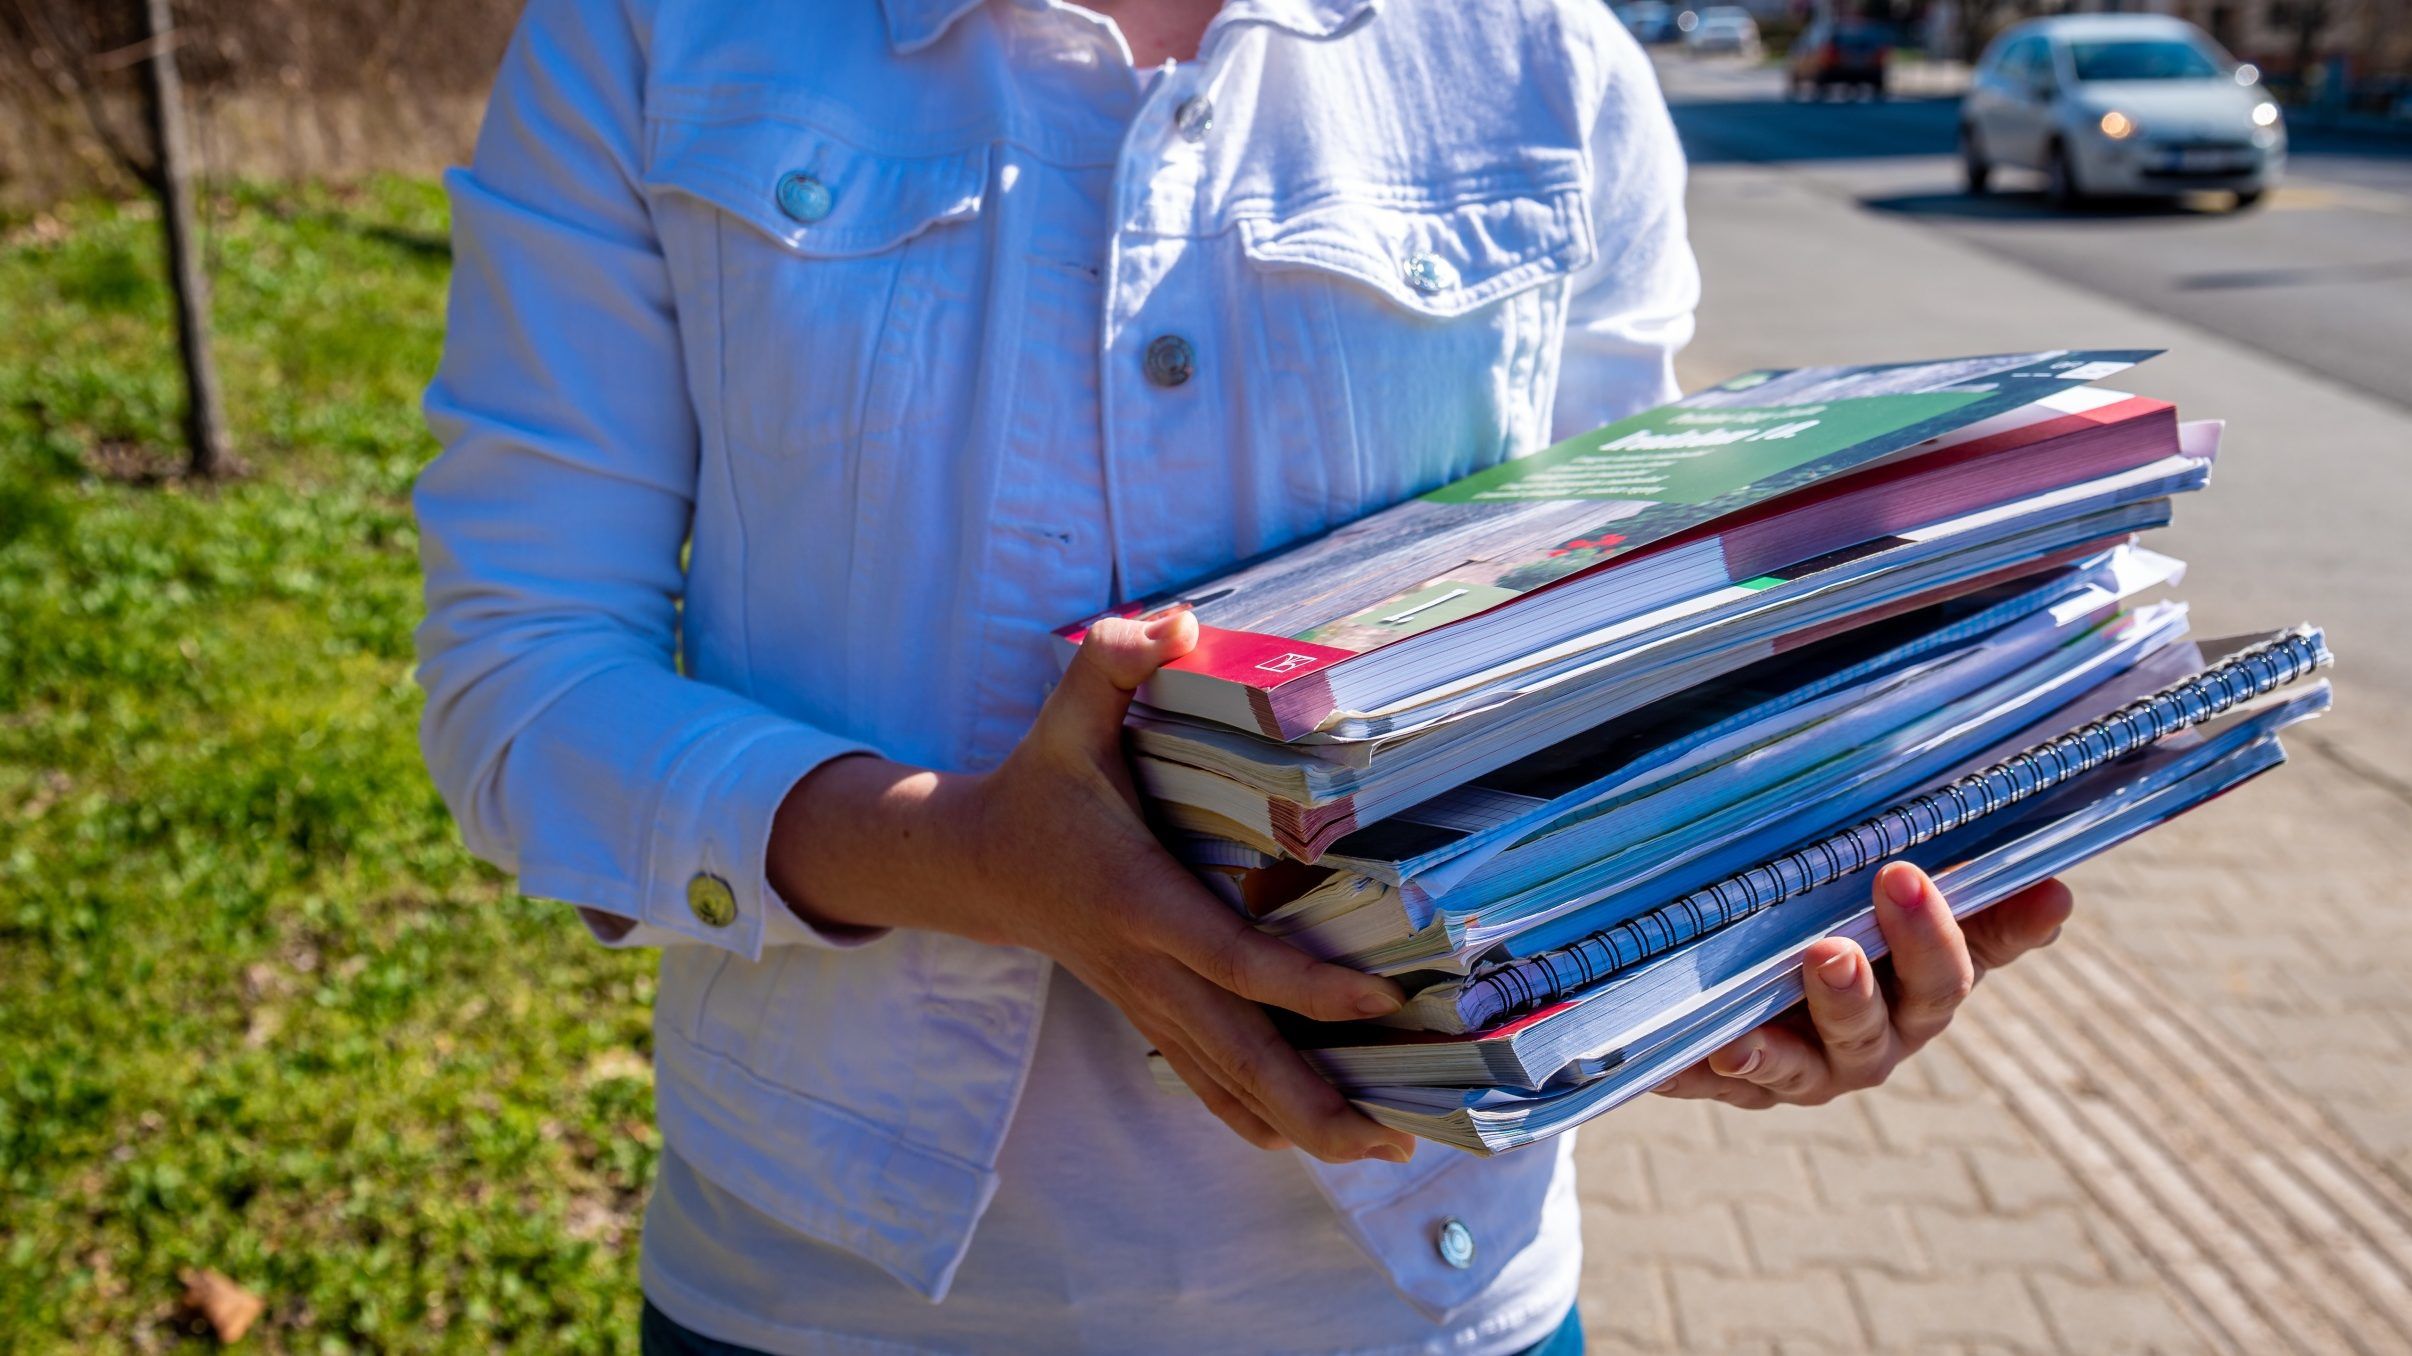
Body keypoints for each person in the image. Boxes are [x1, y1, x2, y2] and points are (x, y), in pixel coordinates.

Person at [413, 0, 2077, 1351]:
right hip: (825, 1297)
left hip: (1421, 1296)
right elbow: (525, 683)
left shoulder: (1544, 58)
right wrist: (970, 861)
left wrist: (1716, 973)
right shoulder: (651, 34)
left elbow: (1627, 681)